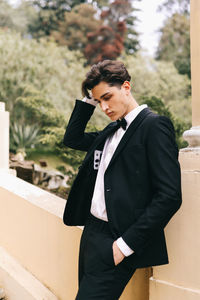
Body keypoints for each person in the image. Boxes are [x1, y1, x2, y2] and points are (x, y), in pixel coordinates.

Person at [62, 60, 182, 300]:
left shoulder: (154, 126)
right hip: (91, 233)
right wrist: (89, 98)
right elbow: (72, 139)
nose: (104, 107)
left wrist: (124, 246)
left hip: (116, 240)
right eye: (99, 102)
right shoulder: (110, 131)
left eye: (108, 97)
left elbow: (169, 196)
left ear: (126, 87)